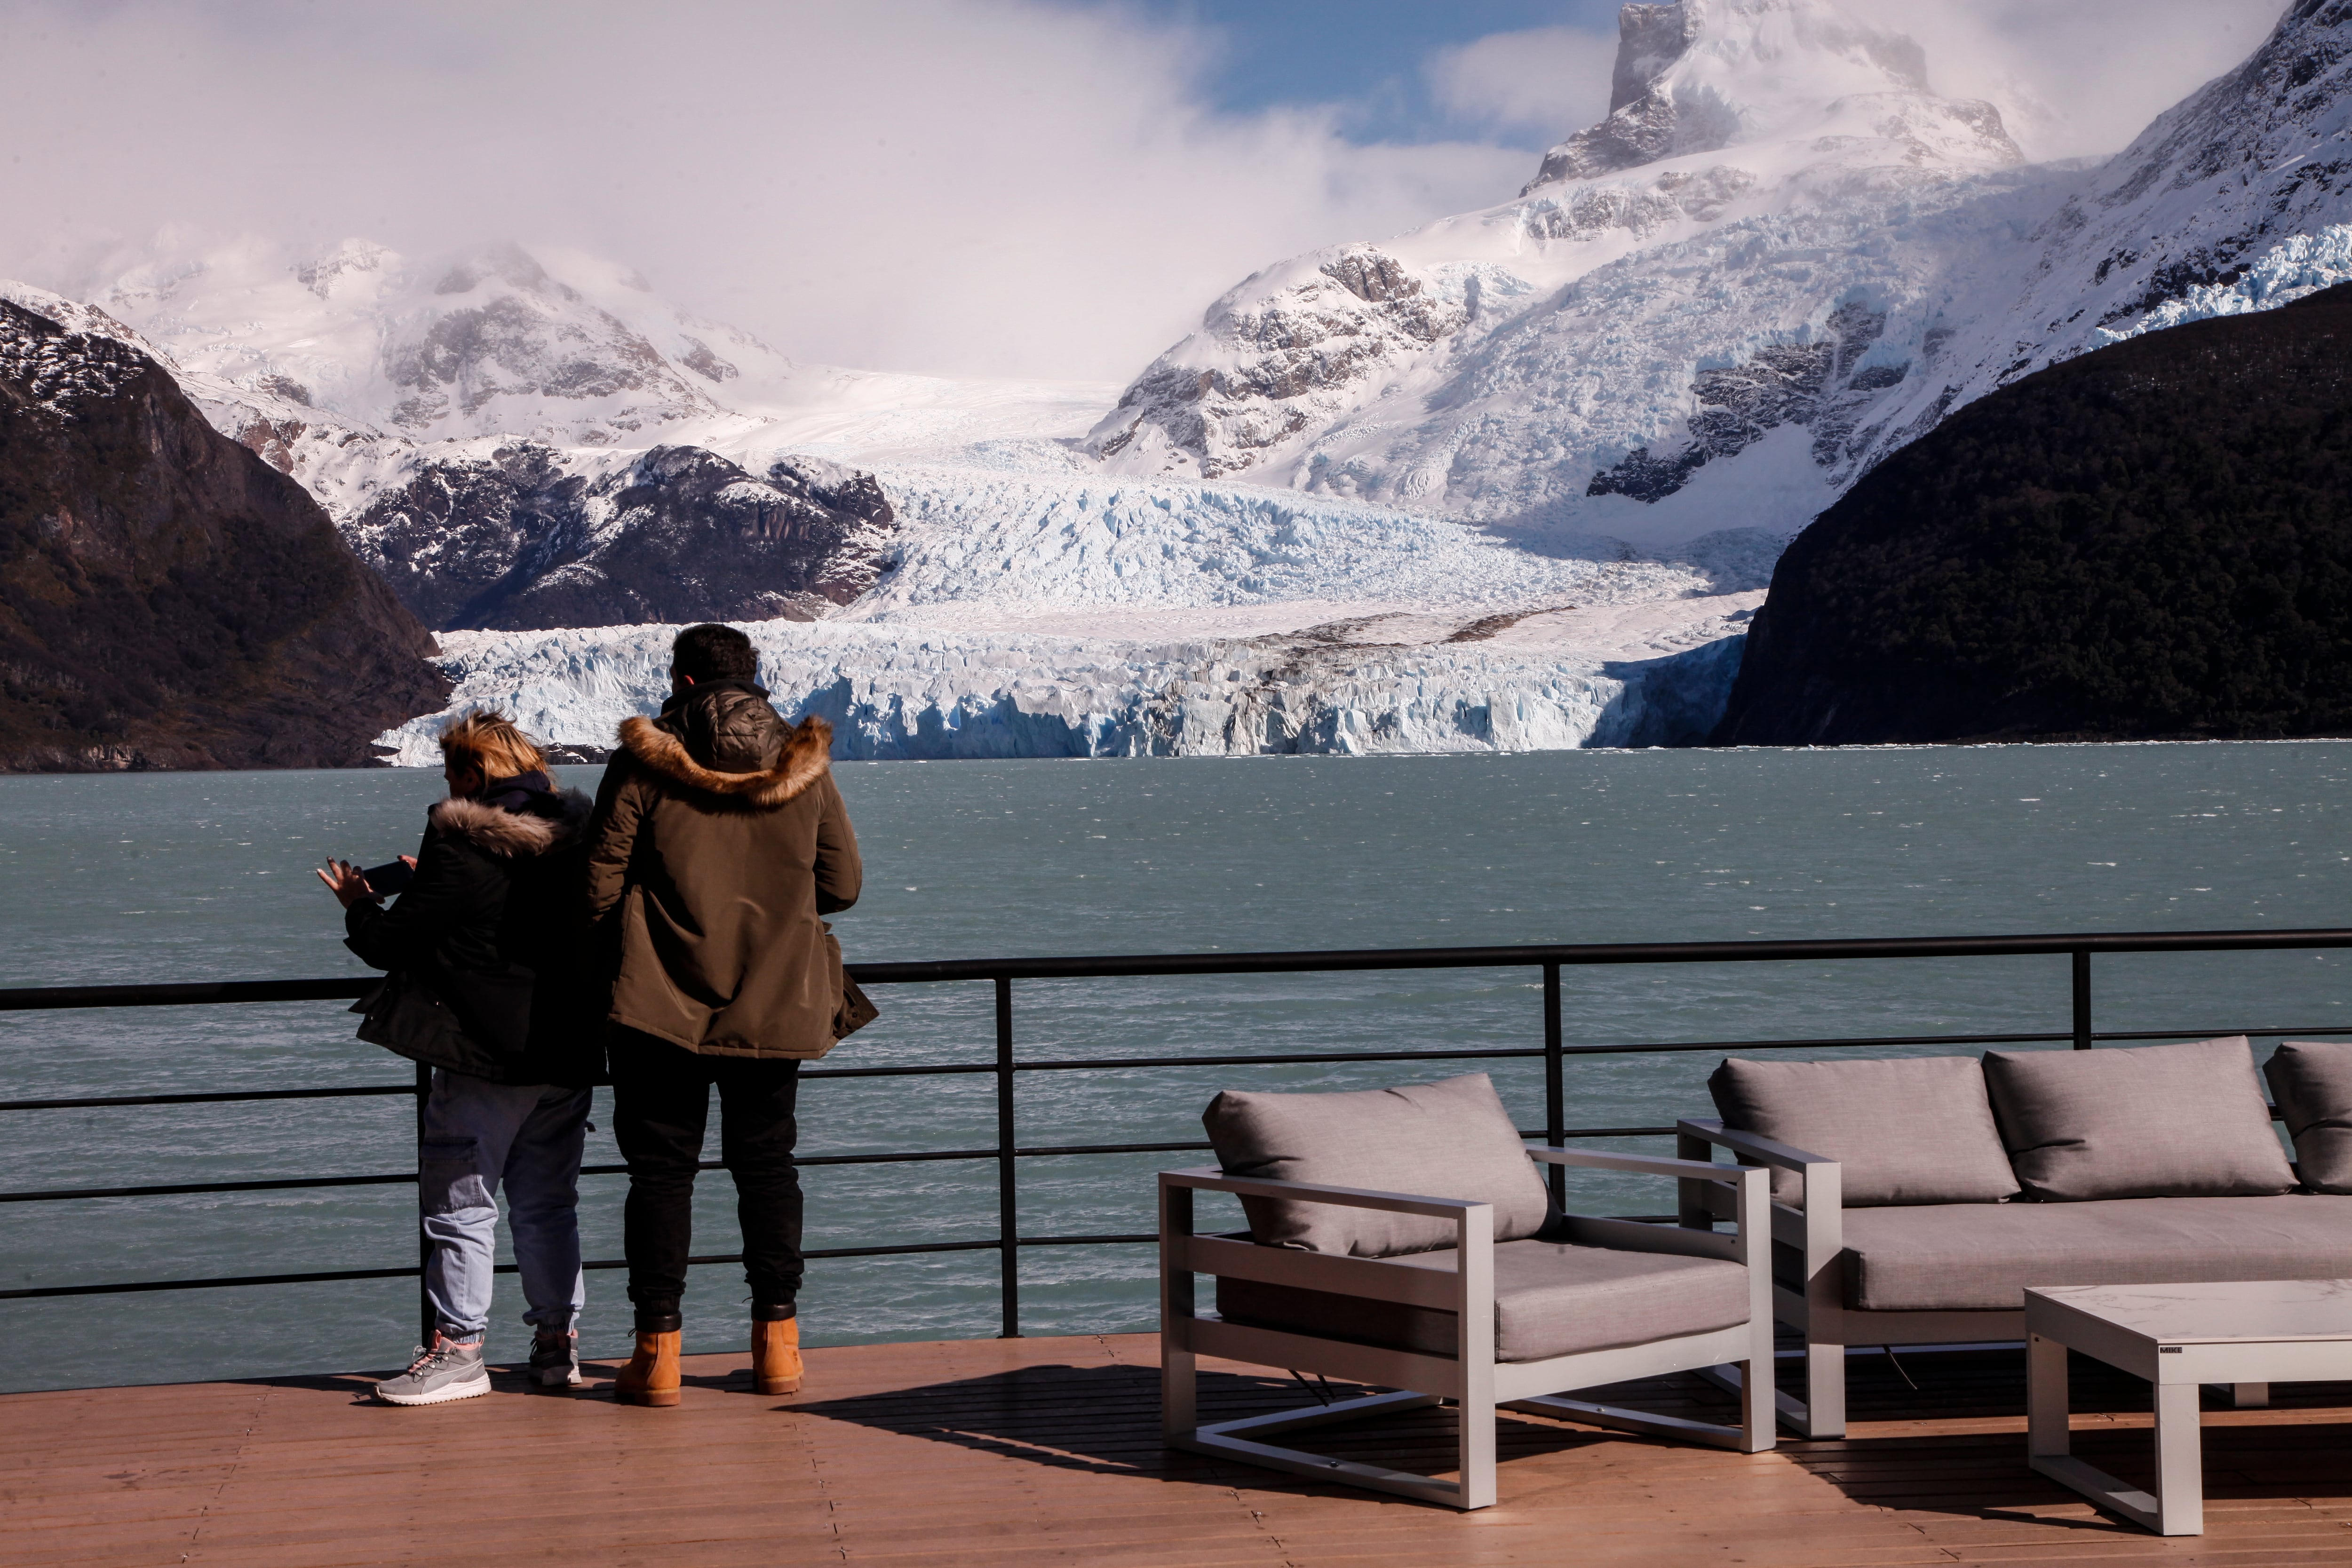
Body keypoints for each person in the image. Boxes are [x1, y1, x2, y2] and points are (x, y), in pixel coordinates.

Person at [584, 623, 865, 1408]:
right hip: (775, 1000)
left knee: (662, 1174)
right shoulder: (801, 766)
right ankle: (779, 1347)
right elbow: (842, 885)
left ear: (678, 682)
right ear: (756, 680)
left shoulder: (644, 763)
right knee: (768, 1167)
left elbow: (599, 885)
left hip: (656, 1004)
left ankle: (658, 1354)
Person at [317, 711, 599, 1406]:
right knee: (547, 1205)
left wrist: (358, 904)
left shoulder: (461, 844)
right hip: (566, 1049)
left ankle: (459, 1350)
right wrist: (430, 884)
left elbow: (392, 945)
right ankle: (556, 1346)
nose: (448, 788)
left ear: (473, 776)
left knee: (460, 1204)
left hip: (485, 1054)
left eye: (452, 776)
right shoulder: (579, 835)